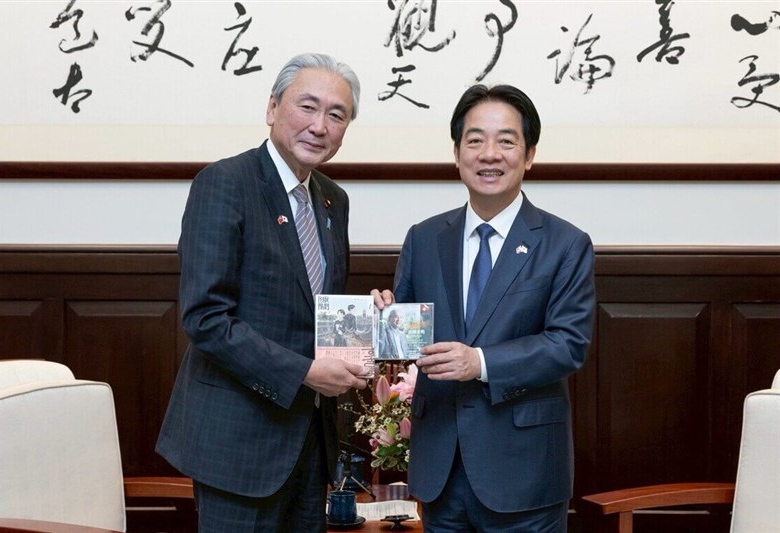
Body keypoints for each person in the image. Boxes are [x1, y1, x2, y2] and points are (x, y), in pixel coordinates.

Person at [156, 53, 367, 533]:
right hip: (239, 442)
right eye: (307, 107)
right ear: (272, 107)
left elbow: (322, 313)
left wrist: (373, 322)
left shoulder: (334, 199)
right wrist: (305, 372)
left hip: (312, 444)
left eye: (337, 115)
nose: (320, 125)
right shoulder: (225, 183)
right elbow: (206, 318)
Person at [373, 84, 595, 532]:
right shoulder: (424, 237)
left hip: (524, 474)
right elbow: (408, 341)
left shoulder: (565, 243)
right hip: (440, 468)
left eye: (506, 141)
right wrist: (385, 318)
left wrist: (479, 362)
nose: (489, 154)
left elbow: (568, 345)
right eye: (475, 140)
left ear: (529, 155)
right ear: (457, 153)